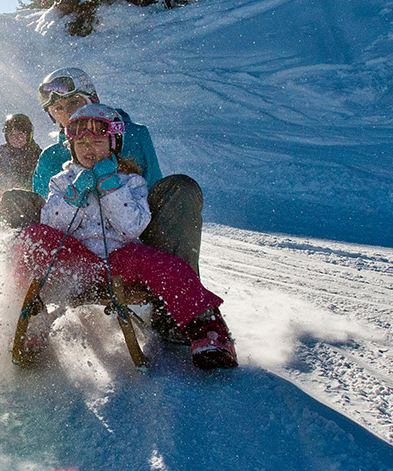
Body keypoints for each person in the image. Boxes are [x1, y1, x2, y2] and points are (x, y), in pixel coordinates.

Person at [14, 103, 236, 370]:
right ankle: (30, 317)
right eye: (81, 143)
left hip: (121, 260)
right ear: (71, 148)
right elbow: (51, 225)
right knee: (32, 237)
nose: (89, 149)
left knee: (167, 266)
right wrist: (73, 195)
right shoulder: (61, 182)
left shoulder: (131, 182)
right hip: (77, 261)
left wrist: (111, 190)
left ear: (113, 145)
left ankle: (206, 328)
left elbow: (132, 228)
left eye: (97, 142)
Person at [29, 67, 205, 341]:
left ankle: (174, 309)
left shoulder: (134, 135)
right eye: (58, 109)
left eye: (74, 103)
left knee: (180, 187)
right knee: (16, 201)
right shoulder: (51, 157)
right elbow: (47, 214)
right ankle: (23, 306)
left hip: (129, 236)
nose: (66, 114)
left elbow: (153, 192)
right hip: (73, 246)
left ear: (93, 99)